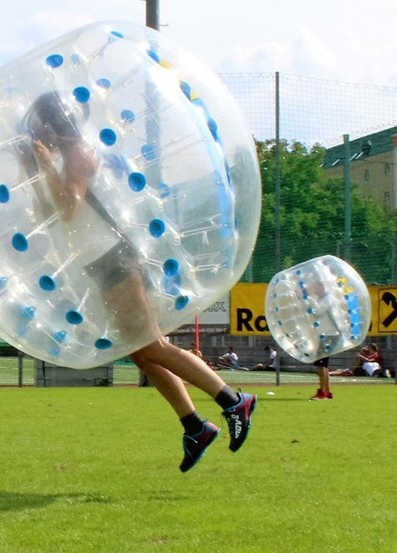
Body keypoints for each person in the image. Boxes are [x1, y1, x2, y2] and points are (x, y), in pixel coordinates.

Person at [26, 91, 257, 473]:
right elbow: (52, 211)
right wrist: (38, 169)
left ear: (54, 124)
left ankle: (234, 401)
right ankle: (194, 426)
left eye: (42, 125)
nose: (38, 131)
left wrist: (46, 165)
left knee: (154, 346)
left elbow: (68, 208)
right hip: (100, 264)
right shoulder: (68, 156)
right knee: (142, 350)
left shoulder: (79, 153)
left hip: (112, 259)